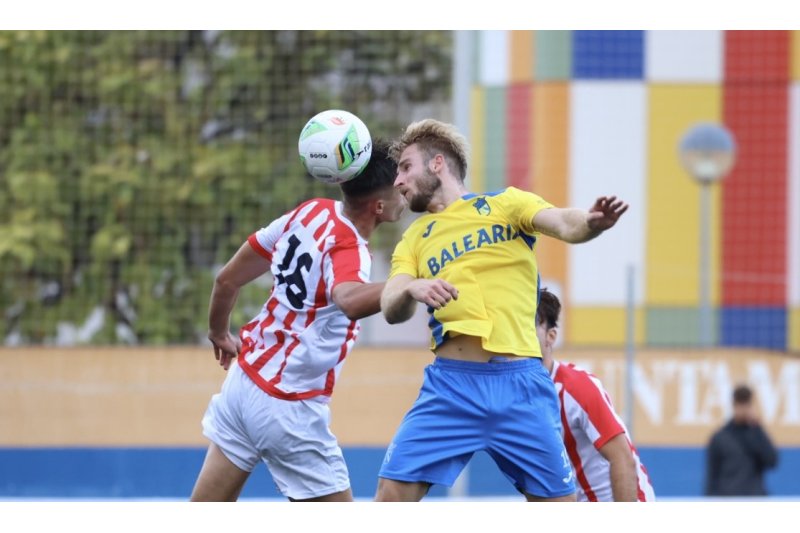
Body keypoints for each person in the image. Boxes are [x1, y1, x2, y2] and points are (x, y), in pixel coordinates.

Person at [376, 118, 629, 502]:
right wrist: (411, 286)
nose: (398, 180)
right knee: (390, 497)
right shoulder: (414, 238)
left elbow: (565, 221)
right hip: (451, 387)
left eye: (406, 166)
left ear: (438, 163)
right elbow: (390, 305)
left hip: (522, 386)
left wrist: (592, 224)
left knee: (560, 506)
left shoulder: (505, 204)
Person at [190, 139, 406, 502]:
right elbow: (349, 300)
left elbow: (227, 279)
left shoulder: (309, 212)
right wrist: (409, 284)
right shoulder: (349, 248)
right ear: (380, 207)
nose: (405, 192)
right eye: (399, 188)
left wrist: (218, 332)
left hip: (243, 383)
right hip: (286, 404)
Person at [535, 287, 655, 502]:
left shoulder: (577, 387)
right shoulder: (514, 395)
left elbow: (622, 459)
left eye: (530, 326)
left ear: (550, 337)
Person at [704, 384, 778, 497]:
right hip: (729, 500)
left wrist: (757, 427)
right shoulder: (720, 437)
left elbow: (772, 461)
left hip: (754, 499)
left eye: (747, 405)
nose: (743, 409)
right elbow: (712, 476)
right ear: (734, 406)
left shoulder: (756, 434)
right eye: (740, 404)